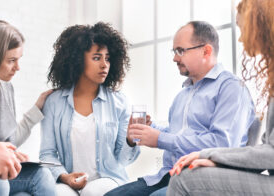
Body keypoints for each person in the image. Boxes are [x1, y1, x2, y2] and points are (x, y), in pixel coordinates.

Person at [105, 21, 255, 196]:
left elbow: (221, 145)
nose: (175, 58)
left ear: (206, 51)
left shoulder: (232, 88)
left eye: (180, 51)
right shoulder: (183, 95)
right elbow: (178, 133)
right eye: (174, 51)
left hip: (206, 177)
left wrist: (160, 139)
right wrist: (148, 130)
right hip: (170, 173)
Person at [167, 0, 274, 195]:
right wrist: (216, 161)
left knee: (183, 180)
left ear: (262, 26)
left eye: (243, 29)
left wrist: (208, 154)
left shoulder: (230, 87)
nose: (241, 39)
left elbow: (271, 155)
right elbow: (267, 151)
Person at [39, 22, 140, 196]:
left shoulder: (119, 102)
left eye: (107, 58)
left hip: (108, 179)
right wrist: (65, 177)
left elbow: (123, 160)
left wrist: (131, 139)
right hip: (67, 181)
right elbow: (47, 153)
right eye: (96, 58)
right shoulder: (54, 102)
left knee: (93, 192)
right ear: (77, 60)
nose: (104, 65)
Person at [0, 20, 55, 195]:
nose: (17, 68)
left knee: (42, 175)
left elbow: (8, 141)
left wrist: (11, 154)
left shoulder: (5, 89)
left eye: (19, 60)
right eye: (11, 60)